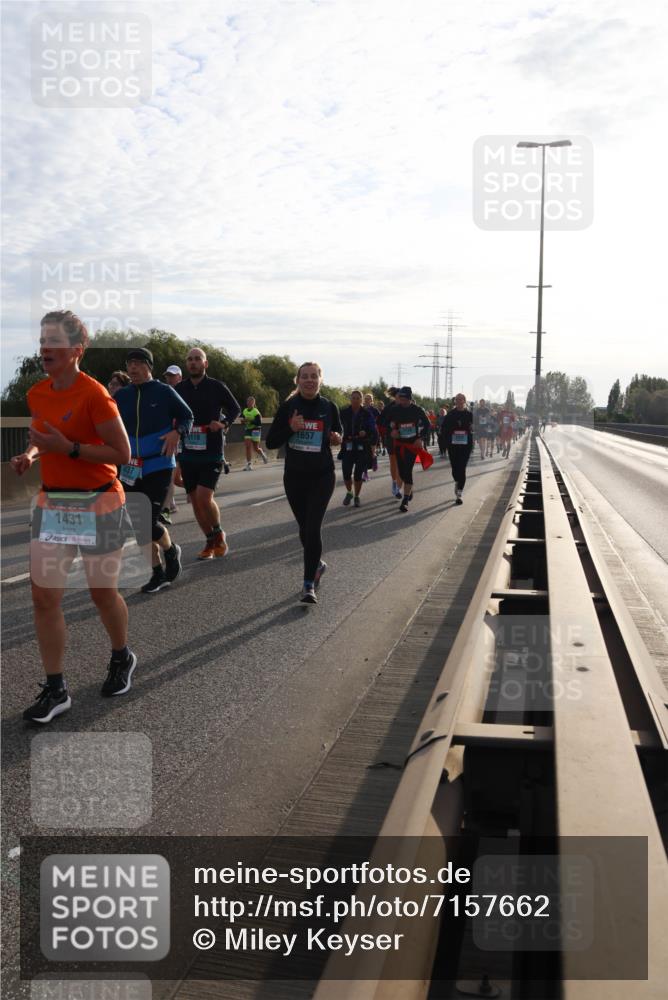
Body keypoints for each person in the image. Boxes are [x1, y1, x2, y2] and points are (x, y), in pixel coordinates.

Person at [11, 310, 137, 722]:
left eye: (53, 341)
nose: (44, 348)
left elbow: (122, 453)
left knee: (102, 594)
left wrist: (70, 449)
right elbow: (42, 436)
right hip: (54, 503)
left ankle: (121, 655)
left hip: (99, 501)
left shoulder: (95, 395)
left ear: (77, 350)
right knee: (43, 597)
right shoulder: (38, 393)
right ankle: (56, 688)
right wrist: (30, 455)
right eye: (42, 340)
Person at [114, 347, 193, 593]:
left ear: (149, 367)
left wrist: (177, 432)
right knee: (139, 525)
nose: (133, 368)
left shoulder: (164, 391)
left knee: (146, 520)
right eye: (130, 363)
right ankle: (157, 572)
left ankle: (170, 551)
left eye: (138, 363)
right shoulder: (122, 395)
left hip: (158, 463)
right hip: (129, 467)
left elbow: (187, 416)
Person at [266, 362, 342, 604]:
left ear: (320, 379)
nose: (309, 380)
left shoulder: (329, 407)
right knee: (303, 528)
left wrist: (336, 438)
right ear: (298, 381)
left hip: (322, 475)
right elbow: (271, 442)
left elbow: (338, 433)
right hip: (295, 477)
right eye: (305, 376)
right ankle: (317, 565)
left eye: (313, 376)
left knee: (312, 528)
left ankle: (308, 584)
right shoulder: (289, 407)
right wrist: (291, 428)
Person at [175, 348, 241, 559]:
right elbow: (170, 413)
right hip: (188, 452)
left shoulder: (216, 386)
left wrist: (223, 423)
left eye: (197, 359)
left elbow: (235, 409)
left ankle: (218, 531)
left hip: (211, 451)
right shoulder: (179, 389)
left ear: (205, 363)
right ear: (187, 364)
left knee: (204, 497)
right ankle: (210, 540)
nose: (193, 362)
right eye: (190, 359)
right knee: (195, 500)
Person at [382, 387, 431, 513]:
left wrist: (420, 438)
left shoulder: (417, 410)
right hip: (399, 444)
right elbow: (385, 423)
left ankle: (405, 500)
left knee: (408, 470)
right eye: (400, 398)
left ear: (409, 398)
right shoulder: (394, 410)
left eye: (404, 399)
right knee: (402, 472)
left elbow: (427, 425)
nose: (402, 401)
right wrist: (391, 431)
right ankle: (409, 489)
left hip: (412, 445)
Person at [339, 390, 376, 507]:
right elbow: (337, 427)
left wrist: (366, 432)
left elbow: (373, 430)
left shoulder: (367, 414)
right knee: (346, 472)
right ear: (350, 399)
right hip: (348, 445)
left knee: (358, 474)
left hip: (362, 446)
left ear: (361, 400)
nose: (355, 400)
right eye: (353, 398)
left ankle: (356, 496)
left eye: (357, 398)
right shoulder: (344, 412)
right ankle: (349, 492)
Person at [438, 393, 474, 505]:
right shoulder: (450, 414)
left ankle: (459, 493)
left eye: (461, 400)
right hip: (453, 445)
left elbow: (476, 428)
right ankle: (457, 482)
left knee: (462, 468)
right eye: (457, 400)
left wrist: (473, 428)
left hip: (466, 445)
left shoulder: (469, 414)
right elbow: (444, 429)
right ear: (455, 402)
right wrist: (447, 441)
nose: (459, 402)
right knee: (455, 469)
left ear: (464, 401)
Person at [377, 387, 403, 499]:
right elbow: (380, 421)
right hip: (391, 437)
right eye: (398, 396)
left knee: (402, 462)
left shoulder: (406, 406)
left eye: (402, 396)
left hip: (404, 438)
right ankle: (394, 482)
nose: (400, 398)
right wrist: (390, 425)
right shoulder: (389, 408)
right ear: (394, 397)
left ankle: (400, 486)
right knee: (393, 461)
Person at [241, 396, 269, 469]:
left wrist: (250, 420)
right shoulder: (245, 411)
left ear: (253, 403)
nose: (249, 403)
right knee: (247, 446)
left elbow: (259, 423)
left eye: (250, 402)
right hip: (248, 430)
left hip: (256, 429)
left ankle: (262, 454)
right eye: (248, 401)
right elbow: (244, 420)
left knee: (256, 448)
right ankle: (249, 464)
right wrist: (243, 421)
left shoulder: (256, 411)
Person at [363, 393, 380, 471]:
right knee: (364, 452)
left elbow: (380, 420)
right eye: (365, 398)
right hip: (364, 433)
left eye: (368, 399)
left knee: (372, 451)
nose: (367, 400)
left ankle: (374, 459)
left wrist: (376, 425)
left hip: (373, 432)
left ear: (371, 400)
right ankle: (365, 470)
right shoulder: (361, 409)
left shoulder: (374, 410)